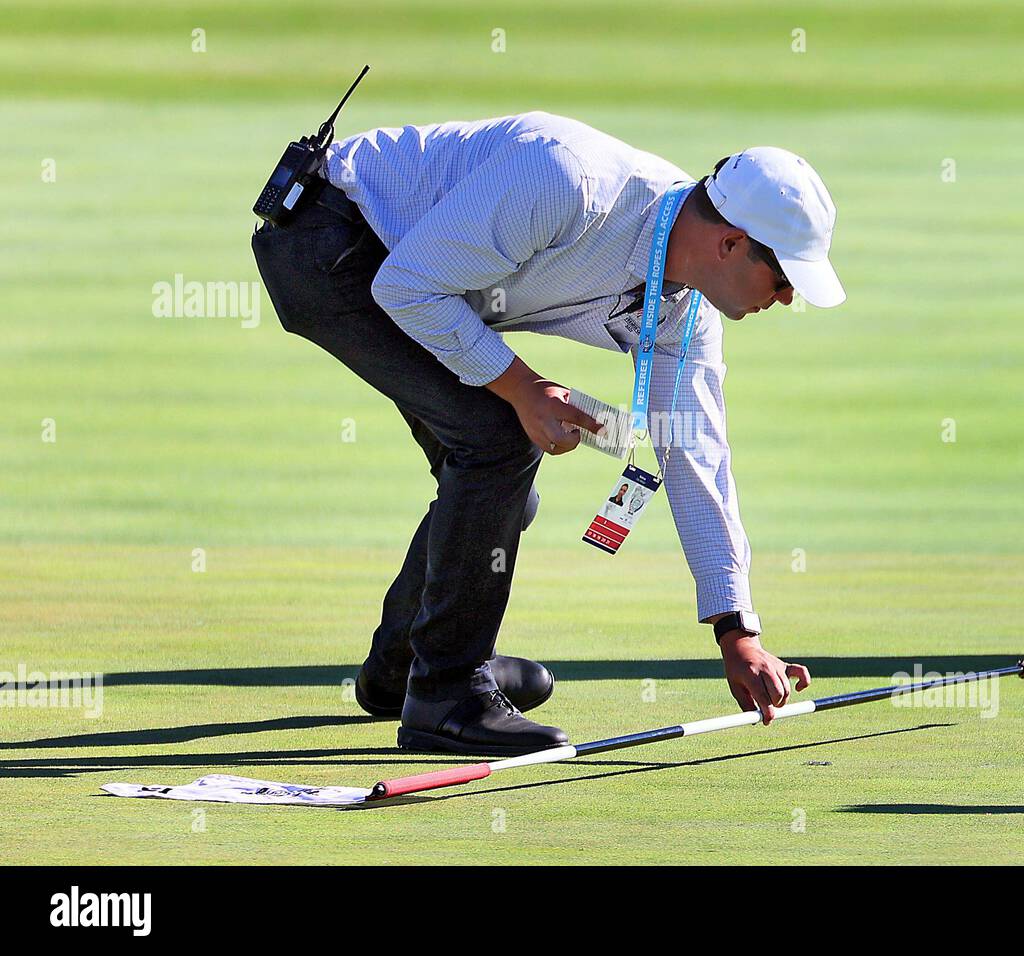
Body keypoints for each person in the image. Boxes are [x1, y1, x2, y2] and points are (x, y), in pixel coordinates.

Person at [251, 111, 845, 756]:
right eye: (783, 276)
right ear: (731, 243)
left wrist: (738, 630)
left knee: (497, 479)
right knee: (498, 441)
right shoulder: (570, 182)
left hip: (410, 275)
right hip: (332, 240)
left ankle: (407, 670)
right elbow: (409, 287)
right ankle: (446, 692)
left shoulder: (687, 308)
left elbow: (696, 452)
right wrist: (523, 389)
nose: (787, 298)